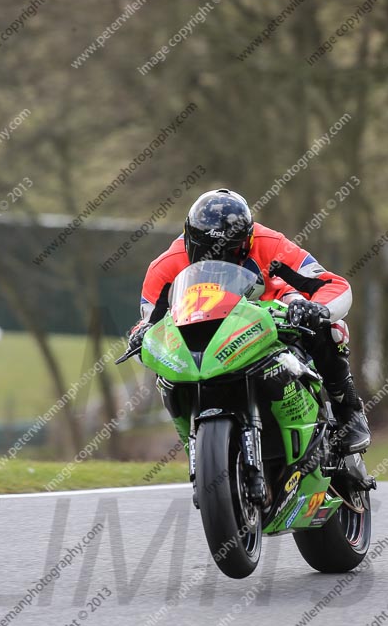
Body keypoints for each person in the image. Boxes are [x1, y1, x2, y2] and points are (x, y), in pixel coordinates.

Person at [128, 188, 371, 454]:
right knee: (166, 375)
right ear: (188, 239)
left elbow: (333, 284)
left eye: (231, 250)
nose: (219, 258)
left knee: (330, 328)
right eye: (206, 251)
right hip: (202, 335)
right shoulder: (166, 265)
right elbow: (150, 324)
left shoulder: (270, 243)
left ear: (248, 239)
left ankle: (347, 410)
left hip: (270, 318)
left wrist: (316, 308)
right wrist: (142, 335)